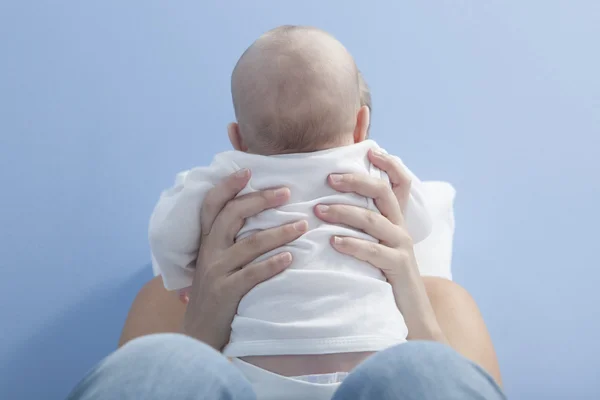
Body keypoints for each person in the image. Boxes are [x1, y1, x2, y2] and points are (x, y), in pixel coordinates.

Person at [68, 154, 505, 399]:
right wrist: (200, 329)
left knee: (428, 369)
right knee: (162, 363)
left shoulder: (442, 303)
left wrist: (417, 311)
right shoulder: (168, 305)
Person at [148, 25, 437, 387]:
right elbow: (423, 224)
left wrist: (183, 275)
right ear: (362, 124)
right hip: (375, 350)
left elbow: (165, 231)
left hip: (264, 359)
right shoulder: (373, 164)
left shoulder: (233, 173)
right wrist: (404, 226)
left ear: (237, 138)